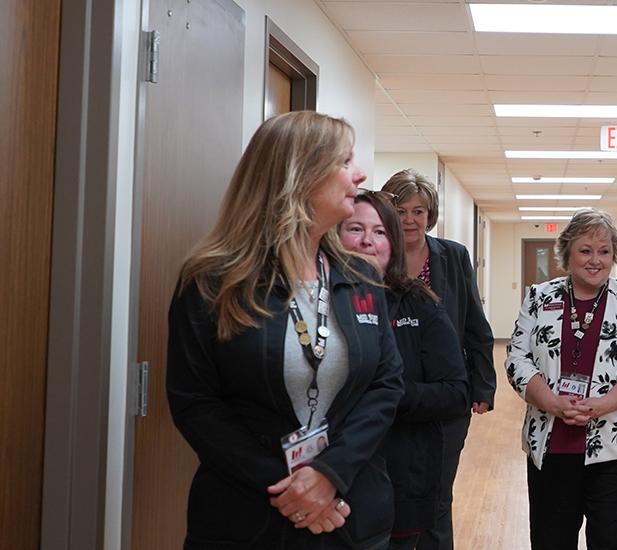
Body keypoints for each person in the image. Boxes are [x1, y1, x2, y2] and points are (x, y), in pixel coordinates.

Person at [167, 111, 404, 549]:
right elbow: (196, 404)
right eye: (345, 160)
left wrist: (330, 475)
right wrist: (291, 488)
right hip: (247, 515)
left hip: (350, 513)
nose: (360, 174)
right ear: (303, 174)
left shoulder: (361, 277)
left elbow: (386, 385)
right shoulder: (213, 281)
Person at [505, 209, 617, 550]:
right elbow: (517, 358)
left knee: (610, 540)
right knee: (551, 539)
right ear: (567, 253)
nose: (595, 260)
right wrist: (552, 403)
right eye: (585, 250)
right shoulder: (539, 297)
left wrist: (602, 404)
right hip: (550, 444)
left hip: (616, 446)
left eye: (604, 251)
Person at [339, 191, 470, 550]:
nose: (368, 240)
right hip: (329, 477)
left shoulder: (420, 303)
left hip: (400, 475)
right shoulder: (315, 301)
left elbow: (455, 392)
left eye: (380, 232)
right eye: (355, 228)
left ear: (394, 243)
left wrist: (386, 394)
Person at [380, 169, 495, 550]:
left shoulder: (453, 256)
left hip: (445, 395)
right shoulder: (375, 256)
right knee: (390, 494)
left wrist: (482, 385)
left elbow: (475, 324)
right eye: (400, 211)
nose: (410, 220)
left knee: (437, 497)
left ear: (431, 215)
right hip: (389, 394)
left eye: (419, 211)